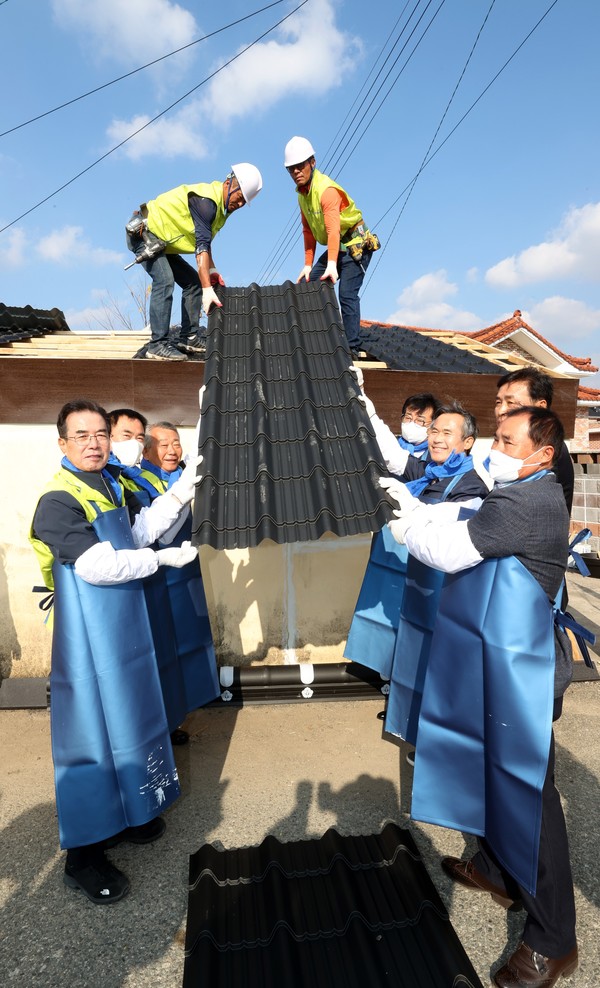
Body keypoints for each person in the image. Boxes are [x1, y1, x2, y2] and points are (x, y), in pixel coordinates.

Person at [389, 406, 578, 987]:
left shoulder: (530, 501)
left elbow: (447, 550)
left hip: (523, 675)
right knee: (491, 769)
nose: (491, 446)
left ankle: (553, 940)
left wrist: (397, 515)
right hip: (498, 664)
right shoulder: (518, 487)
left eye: (503, 437)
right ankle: (498, 869)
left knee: (530, 795)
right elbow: (458, 514)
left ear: (543, 453)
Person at [30, 399, 202, 903]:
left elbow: (139, 529)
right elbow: (99, 567)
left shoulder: (110, 483)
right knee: (91, 738)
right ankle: (82, 855)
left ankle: (129, 814)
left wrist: (186, 488)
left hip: (122, 626)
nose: (94, 442)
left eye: (100, 433)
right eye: (81, 435)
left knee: (130, 720)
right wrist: (163, 559)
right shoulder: (57, 501)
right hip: (87, 640)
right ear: (63, 443)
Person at [345, 397, 487, 678]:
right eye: (434, 431)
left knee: (433, 656)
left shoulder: (473, 486)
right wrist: (365, 403)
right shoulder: (427, 473)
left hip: (444, 590)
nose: (436, 439)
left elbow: (453, 519)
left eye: (447, 433)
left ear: (468, 442)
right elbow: (389, 451)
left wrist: (413, 511)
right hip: (415, 579)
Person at [135, 421, 220, 741]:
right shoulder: (138, 482)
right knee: (160, 650)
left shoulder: (185, 473)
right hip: (156, 577)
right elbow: (160, 531)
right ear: (146, 451)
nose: (172, 450)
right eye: (163, 444)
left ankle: (179, 713)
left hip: (186, 576)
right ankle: (160, 723)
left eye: (176, 443)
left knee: (190, 641)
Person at [126, 163, 263, 361]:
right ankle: (157, 345)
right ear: (230, 183)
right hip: (143, 233)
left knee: (193, 282)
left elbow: (205, 244)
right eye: (240, 197)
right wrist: (208, 290)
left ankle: (189, 337)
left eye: (244, 202)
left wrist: (212, 270)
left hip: (161, 242)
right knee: (165, 279)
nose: (239, 204)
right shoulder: (206, 202)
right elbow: (201, 249)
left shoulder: (219, 210)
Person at [284, 136, 379, 358]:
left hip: (355, 242)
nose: (296, 172)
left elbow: (333, 231)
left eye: (300, 166)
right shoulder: (302, 196)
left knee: (346, 293)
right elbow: (308, 231)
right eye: (291, 169)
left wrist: (332, 264)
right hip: (338, 245)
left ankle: (352, 347)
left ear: (312, 163)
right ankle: (315, 337)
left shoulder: (326, 190)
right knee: (309, 284)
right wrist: (308, 265)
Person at [495, 366, 574, 512]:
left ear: (540, 407)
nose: (501, 410)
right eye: (498, 402)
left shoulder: (548, 451)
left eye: (511, 403)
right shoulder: (515, 446)